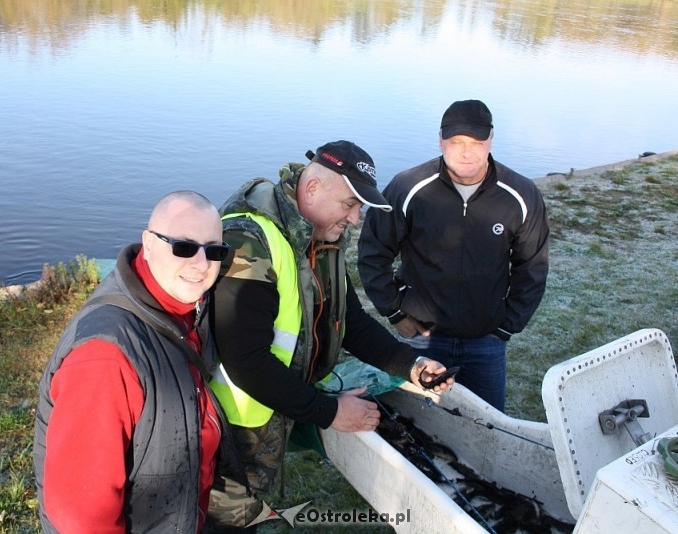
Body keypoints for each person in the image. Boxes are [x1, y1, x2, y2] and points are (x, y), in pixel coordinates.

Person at [207, 140, 453, 528]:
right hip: (223, 433)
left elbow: (350, 321)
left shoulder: (323, 241)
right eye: (349, 205)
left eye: (359, 208)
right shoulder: (249, 242)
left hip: (270, 416)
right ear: (312, 189)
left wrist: (412, 364)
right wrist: (331, 412)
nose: (356, 219)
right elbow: (245, 360)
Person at [33, 191, 244, 533]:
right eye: (184, 247)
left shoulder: (183, 309)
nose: (202, 264)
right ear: (148, 243)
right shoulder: (106, 359)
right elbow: (82, 518)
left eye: (215, 251)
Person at [357, 99, 550, 412]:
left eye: (476, 142)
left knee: (488, 427)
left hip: (486, 341)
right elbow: (372, 252)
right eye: (456, 142)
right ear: (440, 141)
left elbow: (533, 267)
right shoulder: (408, 188)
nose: (466, 152)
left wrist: (506, 327)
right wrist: (394, 311)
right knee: (415, 424)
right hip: (422, 337)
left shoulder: (521, 195)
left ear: (491, 141)